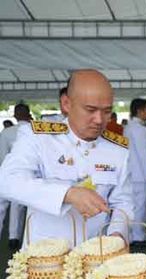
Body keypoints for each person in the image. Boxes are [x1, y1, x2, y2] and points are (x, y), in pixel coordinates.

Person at [0, 69, 133, 245]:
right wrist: (67, 194)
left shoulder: (117, 149)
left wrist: (118, 235)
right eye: (90, 110)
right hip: (45, 256)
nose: (99, 120)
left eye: (107, 111)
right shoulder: (39, 137)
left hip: (96, 256)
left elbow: (123, 201)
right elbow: (8, 181)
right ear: (66, 104)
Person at [124, 98, 146, 246]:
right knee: (140, 207)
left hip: (134, 173)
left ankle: (134, 235)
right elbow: (144, 155)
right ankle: (138, 237)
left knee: (135, 206)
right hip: (141, 175)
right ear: (140, 111)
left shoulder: (131, 127)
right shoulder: (139, 129)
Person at [0, 104, 31, 250]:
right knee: (16, 207)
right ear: (29, 113)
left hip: (6, 173)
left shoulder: (7, 132)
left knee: (1, 208)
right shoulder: (34, 130)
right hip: (25, 175)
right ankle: (14, 237)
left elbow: (2, 156)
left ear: (15, 115)